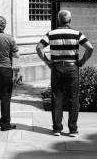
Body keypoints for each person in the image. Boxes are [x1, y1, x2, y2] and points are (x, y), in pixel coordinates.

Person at [36, 9, 94, 137]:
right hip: (72, 67)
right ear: (70, 20)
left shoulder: (50, 33)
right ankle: (73, 129)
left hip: (56, 67)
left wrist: (47, 62)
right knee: (73, 99)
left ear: (58, 20)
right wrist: (82, 61)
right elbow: (90, 47)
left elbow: (39, 47)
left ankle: (57, 129)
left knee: (57, 97)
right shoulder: (77, 34)